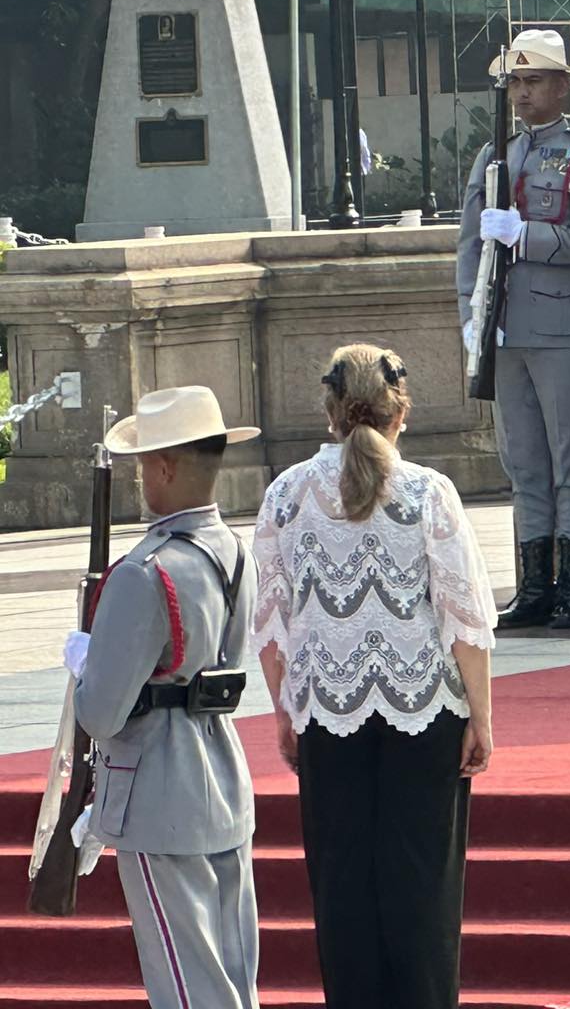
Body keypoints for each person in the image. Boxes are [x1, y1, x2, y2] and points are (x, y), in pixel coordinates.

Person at [251, 343, 496, 1009]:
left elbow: (270, 626)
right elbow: (464, 618)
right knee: (423, 892)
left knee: (342, 892)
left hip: (327, 710)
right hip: (425, 706)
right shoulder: (427, 491)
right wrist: (482, 717)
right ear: (400, 412)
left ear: (329, 410)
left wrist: (284, 710)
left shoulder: (285, 494)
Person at [67, 385, 261, 1009]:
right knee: (232, 977)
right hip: (220, 774)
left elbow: (100, 712)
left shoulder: (145, 571)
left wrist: (83, 663)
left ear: (167, 467)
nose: (142, 477)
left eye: (147, 463)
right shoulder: (235, 554)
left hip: (154, 788)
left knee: (185, 987)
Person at [456, 27, 570, 630]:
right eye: (514, 84)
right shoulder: (494, 155)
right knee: (523, 463)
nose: (521, 95)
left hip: (561, 326)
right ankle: (534, 587)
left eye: (533, 82)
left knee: (569, 460)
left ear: (562, 87)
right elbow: (469, 248)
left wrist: (531, 236)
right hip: (505, 330)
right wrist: (470, 319)